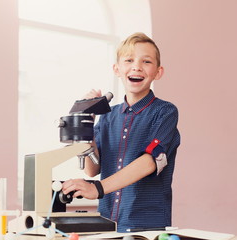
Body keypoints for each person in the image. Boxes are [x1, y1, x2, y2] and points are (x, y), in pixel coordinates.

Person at [62, 32, 181, 232]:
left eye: (146, 61)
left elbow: (150, 161)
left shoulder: (165, 112)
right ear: (117, 69)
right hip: (107, 223)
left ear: (158, 72)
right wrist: (86, 124)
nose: (136, 66)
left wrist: (97, 188)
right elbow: (92, 169)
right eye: (129, 60)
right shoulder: (108, 116)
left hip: (147, 226)